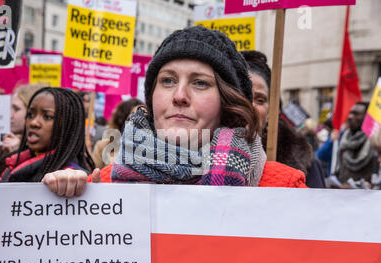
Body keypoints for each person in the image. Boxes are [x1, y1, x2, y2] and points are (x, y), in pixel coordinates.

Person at [42, 26, 307, 197]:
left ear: (228, 103)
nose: (179, 96)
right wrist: (69, 199)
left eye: (200, 83)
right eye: (167, 80)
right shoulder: (105, 184)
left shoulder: (283, 189)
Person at [242, 50, 326, 188]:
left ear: (271, 112)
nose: (250, 106)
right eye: (243, 96)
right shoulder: (200, 156)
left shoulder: (303, 163)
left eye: (260, 99)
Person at [91, 98, 144, 169]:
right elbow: (93, 176)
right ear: (122, 120)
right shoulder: (102, 146)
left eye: (144, 116)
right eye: (134, 116)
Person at [335, 102, 378, 186]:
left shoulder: (376, 143)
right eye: (350, 113)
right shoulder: (344, 139)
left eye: (356, 114)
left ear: (367, 118)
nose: (350, 117)